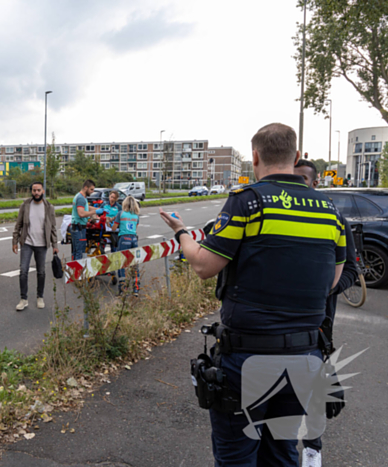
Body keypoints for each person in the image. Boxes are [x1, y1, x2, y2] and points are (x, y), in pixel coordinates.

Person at [160, 123, 346, 466]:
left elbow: (204, 266)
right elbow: (331, 282)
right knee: (282, 452)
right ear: (297, 156)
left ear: (256, 156)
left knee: (237, 456)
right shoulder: (330, 211)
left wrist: (183, 232)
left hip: (249, 359)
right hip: (305, 359)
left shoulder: (248, 202)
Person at [294, 159, 358, 467]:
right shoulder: (281, 218)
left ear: (315, 183)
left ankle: (312, 448)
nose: (298, 185)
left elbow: (352, 270)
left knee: (314, 391)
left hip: (319, 325)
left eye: (303, 179)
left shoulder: (335, 220)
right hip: (277, 327)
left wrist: (325, 288)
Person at [12, 182, 59, 311]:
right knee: (23, 271)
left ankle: (40, 297)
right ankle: (23, 299)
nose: (36, 193)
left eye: (38, 190)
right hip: (27, 243)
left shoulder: (49, 207)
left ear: (43, 191)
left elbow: (53, 228)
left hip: (42, 244)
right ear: (31, 191)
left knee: (41, 272)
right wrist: (14, 241)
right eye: (34, 190)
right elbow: (18, 224)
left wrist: (55, 244)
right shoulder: (25, 205)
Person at [111, 195, 140, 296]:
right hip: (134, 239)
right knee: (134, 264)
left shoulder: (121, 213)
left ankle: (123, 289)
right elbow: (135, 228)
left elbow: (114, 228)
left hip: (123, 240)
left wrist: (110, 223)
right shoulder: (136, 216)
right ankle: (136, 288)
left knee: (122, 264)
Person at [70, 179, 97, 260]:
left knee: (76, 251)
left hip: (77, 227)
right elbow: (81, 213)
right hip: (79, 227)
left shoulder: (81, 196)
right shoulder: (81, 198)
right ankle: (78, 271)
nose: (92, 192)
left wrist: (97, 208)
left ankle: (74, 271)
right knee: (80, 252)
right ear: (86, 187)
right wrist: (95, 211)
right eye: (91, 189)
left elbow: (85, 207)